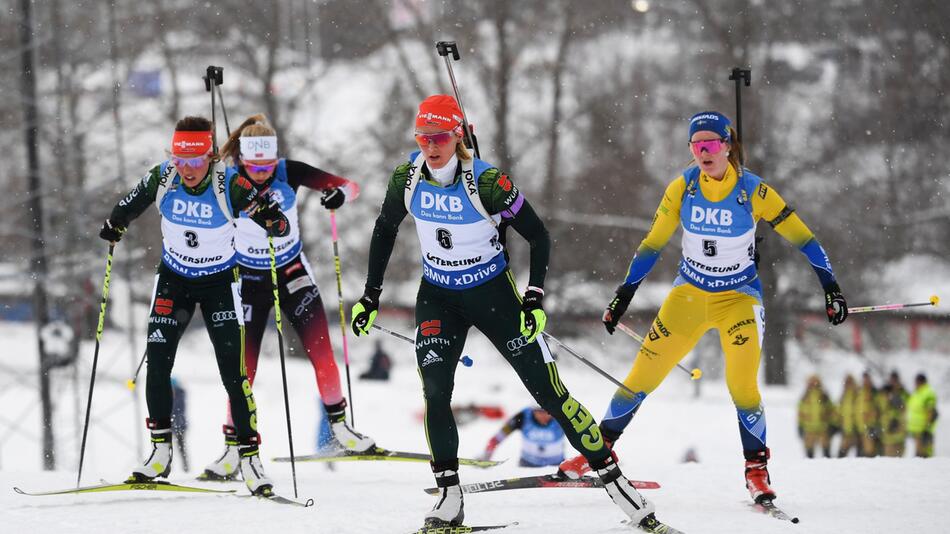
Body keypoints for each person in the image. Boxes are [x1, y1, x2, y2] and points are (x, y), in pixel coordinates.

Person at [350, 95, 668, 531]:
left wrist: (535, 297)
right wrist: (371, 296)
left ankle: (614, 481)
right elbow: (384, 229)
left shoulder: (488, 183)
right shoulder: (406, 178)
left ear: (457, 136)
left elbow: (538, 236)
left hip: (493, 294)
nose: (430, 146)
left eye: (439, 137)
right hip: (438, 296)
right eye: (423, 137)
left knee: (548, 393)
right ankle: (448, 495)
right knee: (436, 391)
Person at [558, 111, 849, 505]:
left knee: (741, 385)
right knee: (640, 377)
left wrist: (830, 287)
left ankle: (756, 469)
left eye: (712, 144)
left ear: (728, 146)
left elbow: (805, 239)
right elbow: (652, 243)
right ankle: (600, 450)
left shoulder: (753, 191)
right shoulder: (682, 188)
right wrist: (623, 294)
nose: (704, 153)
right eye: (697, 146)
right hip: (689, 296)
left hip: (738, 299)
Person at [98, 116, 288, 495]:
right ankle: (159, 452)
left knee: (233, 373)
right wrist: (115, 223)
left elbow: (272, 218)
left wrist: (273, 220)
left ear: (210, 155)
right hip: (174, 280)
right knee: (158, 361)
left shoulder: (229, 184)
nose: (187, 169)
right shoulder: (162, 176)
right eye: (180, 160)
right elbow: (129, 204)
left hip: (219, 283)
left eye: (196, 160)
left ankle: (250, 458)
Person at [199, 114, 374, 481]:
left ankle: (340, 427)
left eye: (266, 165)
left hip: (292, 271)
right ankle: (234, 448)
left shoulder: (288, 170)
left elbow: (350, 185)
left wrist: (339, 194)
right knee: (242, 370)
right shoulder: (226, 176)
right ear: (241, 159)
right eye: (253, 166)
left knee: (323, 351)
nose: (260, 173)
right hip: (247, 278)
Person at [480, 406, 566, 467]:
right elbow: (498, 437)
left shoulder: (560, 416)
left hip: (556, 466)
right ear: (533, 410)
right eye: (539, 412)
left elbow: (578, 436)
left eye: (547, 412)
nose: (543, 416)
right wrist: (487, 455)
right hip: (528, 465)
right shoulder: (523, 416)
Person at [797, 375, 834, 458]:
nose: (813, 384)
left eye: (815, 382)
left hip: (823, 428)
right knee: (809, 451)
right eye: (811, 382)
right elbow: (801, 413)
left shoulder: (824, 396)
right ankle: (810, 466)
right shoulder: (805, 397)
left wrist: (832, 424)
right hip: (809, 429)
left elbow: (831, 410)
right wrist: (800, 426)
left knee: (826, 450)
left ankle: (829, 465)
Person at [907, 373, 938, 457]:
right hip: (918, 431)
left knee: (925, 456)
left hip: (924, 431)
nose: (915, 383)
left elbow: (930, 412)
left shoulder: (927, 393)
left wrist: (927, 429)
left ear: (921, 382)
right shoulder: (917, 393)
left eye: (917, 381)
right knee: (919, 456)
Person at [878, 371, 908, 457]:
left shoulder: (903, 393)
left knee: (900, 461)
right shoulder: (885, 393)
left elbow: (906, 407)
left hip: (900, 432)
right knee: (889, 460)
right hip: (888, 433)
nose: (894, 382)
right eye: (892, 380)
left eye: (895, 380)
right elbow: (881, 407)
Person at [855, 372, 881, 457]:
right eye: (864, 379)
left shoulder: (874, 392)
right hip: (861, 426)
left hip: (870, 426)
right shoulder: (860, 392)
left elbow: (879, 407)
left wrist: (875, 422)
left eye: (867, 379)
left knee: (869, 451)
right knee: (861, 450)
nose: (865, 381)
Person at [836, 374, 860, 457]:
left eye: (850, 382)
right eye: (847, 382)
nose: (848, 384)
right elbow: (839, 412)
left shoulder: (858, 394)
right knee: (841, 454)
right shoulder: (843, 396)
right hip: (846, 430)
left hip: (857, 430)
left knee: (861, 454)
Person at [170, 377, 190, 472]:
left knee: (181, 448)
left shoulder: (179, 395)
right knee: (167, 448)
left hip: (179, 426)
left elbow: (178, 410)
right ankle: (167, 467)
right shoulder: (178, 395)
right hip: (174, 425)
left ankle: (185, 467)